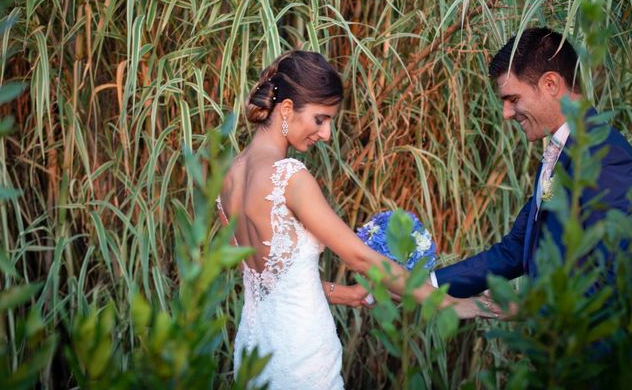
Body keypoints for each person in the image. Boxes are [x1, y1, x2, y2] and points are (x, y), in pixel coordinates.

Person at [216, 50, 495, 390]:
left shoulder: (228, 177)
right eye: (321, 119)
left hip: (253, 350)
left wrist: (346, 294)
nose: (327, 134)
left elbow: (269, 281)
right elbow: (359, 257)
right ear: (287, 109)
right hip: (302, 352)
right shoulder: (289, 177)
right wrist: (452, 304)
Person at [433, 27, 632, 297]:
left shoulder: (604, 155)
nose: (506, 113)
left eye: (513, 99)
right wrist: (424, 284)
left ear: (550, 84)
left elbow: (615, 272)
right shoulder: (562, 152)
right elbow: (514, 250)